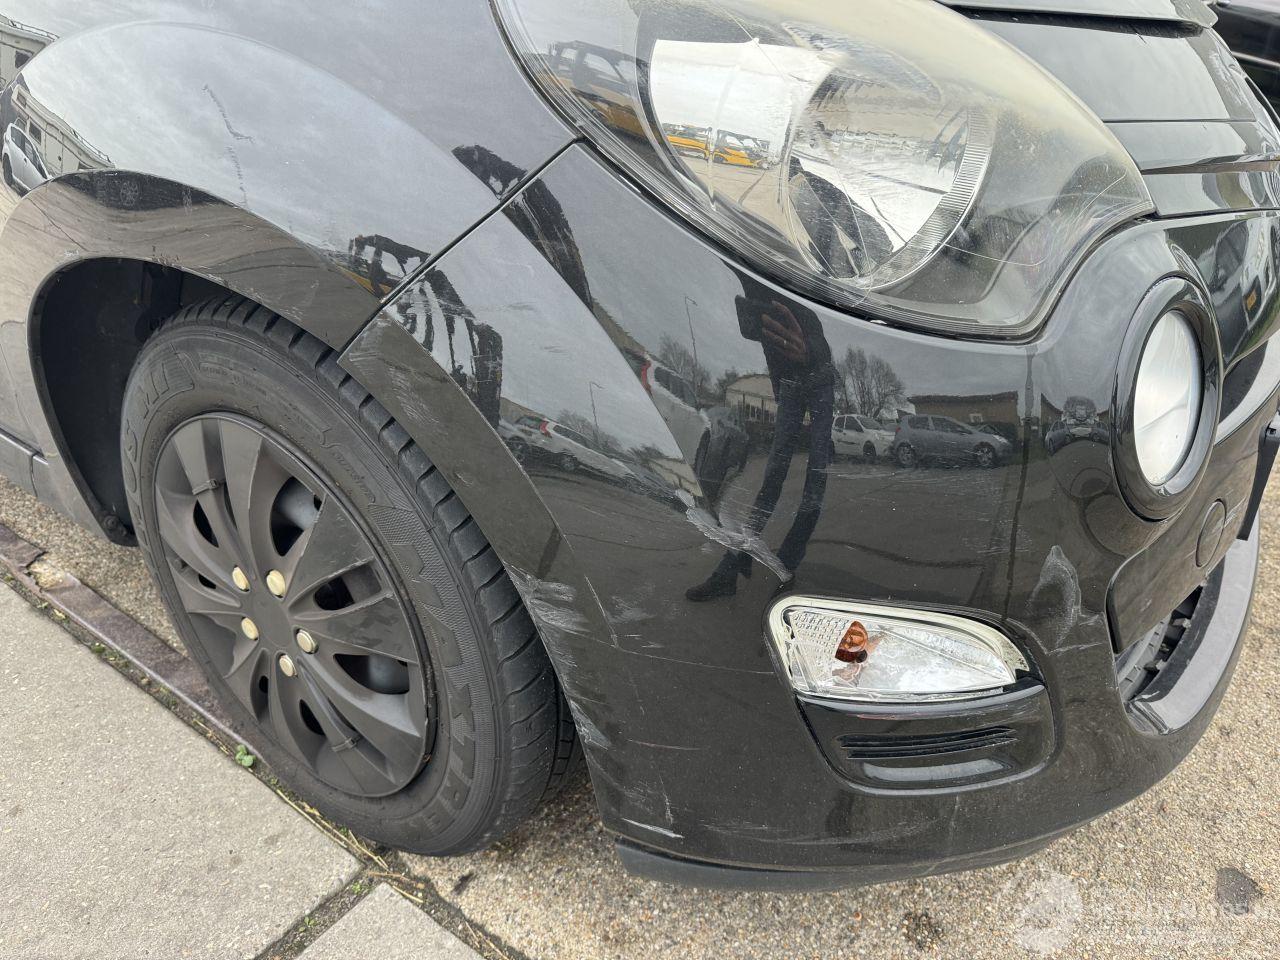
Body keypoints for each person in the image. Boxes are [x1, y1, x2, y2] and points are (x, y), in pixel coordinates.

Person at [686, 278, 835, 601]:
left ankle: (786, 568)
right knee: (771, 479)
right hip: (789, 386)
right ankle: (729, 571)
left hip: (819, 381)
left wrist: (809, 351)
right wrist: (781, 388)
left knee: (815, 479)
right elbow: (768, 346)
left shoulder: (798, 285)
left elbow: (820, 334)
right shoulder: (755, 289)